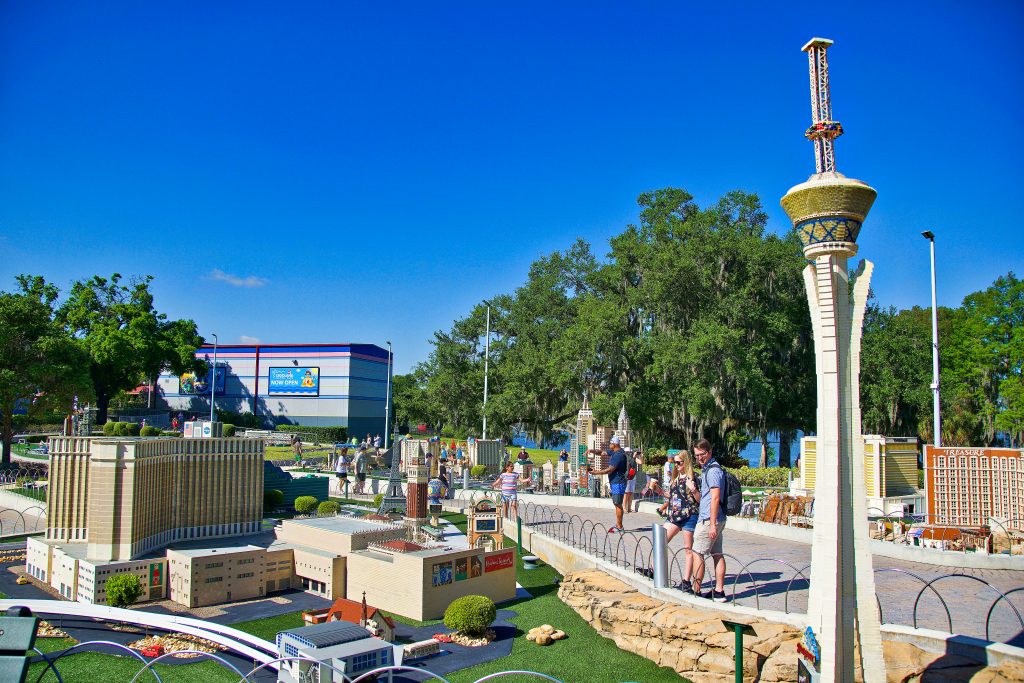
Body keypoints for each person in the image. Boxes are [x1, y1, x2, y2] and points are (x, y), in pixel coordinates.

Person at [689, 439, 728, 602]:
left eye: (702, 454)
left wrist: (712, 524)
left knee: (697, 553)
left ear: (710, 452)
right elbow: (704, 498)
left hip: (709, 519)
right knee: (717, 553)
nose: (700, 458)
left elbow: (715, 497)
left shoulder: (712, 471)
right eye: (697, 455)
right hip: (714, 518)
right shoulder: (708, 469)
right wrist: (694, 491)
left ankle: (696, 589)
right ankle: (719, 591)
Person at [658, 451, 701, 594]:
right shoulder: (675, 478)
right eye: (674, 463)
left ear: (686, 462)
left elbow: (699, 500)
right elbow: (672, 496)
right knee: (661, 539)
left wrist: (693, 489)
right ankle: (653, 569)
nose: (676, 465)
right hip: (675, 515)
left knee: (688, 549)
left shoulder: (693, 478)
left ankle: (686, 580)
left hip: (689, 515)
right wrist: (658, 491)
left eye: (679, 463)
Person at [591, 435, 628, 533]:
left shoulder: (619, 455)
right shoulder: (615, 452)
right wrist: (591, 451)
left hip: (618, 482)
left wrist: (596, 472)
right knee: (616, 503)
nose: (609, 445)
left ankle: (620, 527)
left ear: (614, 444)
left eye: (610, 443)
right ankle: (618, 525)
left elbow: (610, 469)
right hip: (615, 481)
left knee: (618, 503)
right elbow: (602, 453)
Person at [622, 448, 639, 514]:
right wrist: (634, 457)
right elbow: (630, 464)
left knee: (631, 493)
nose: (630, 453)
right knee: (626, 493)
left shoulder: (632, 458)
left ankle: (629, 508)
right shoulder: (625, 458)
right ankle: (624, 508)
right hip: (627, 477)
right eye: (629, 452)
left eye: (631, 452)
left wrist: (639, 456)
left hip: (632, 476)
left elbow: (640, 462)